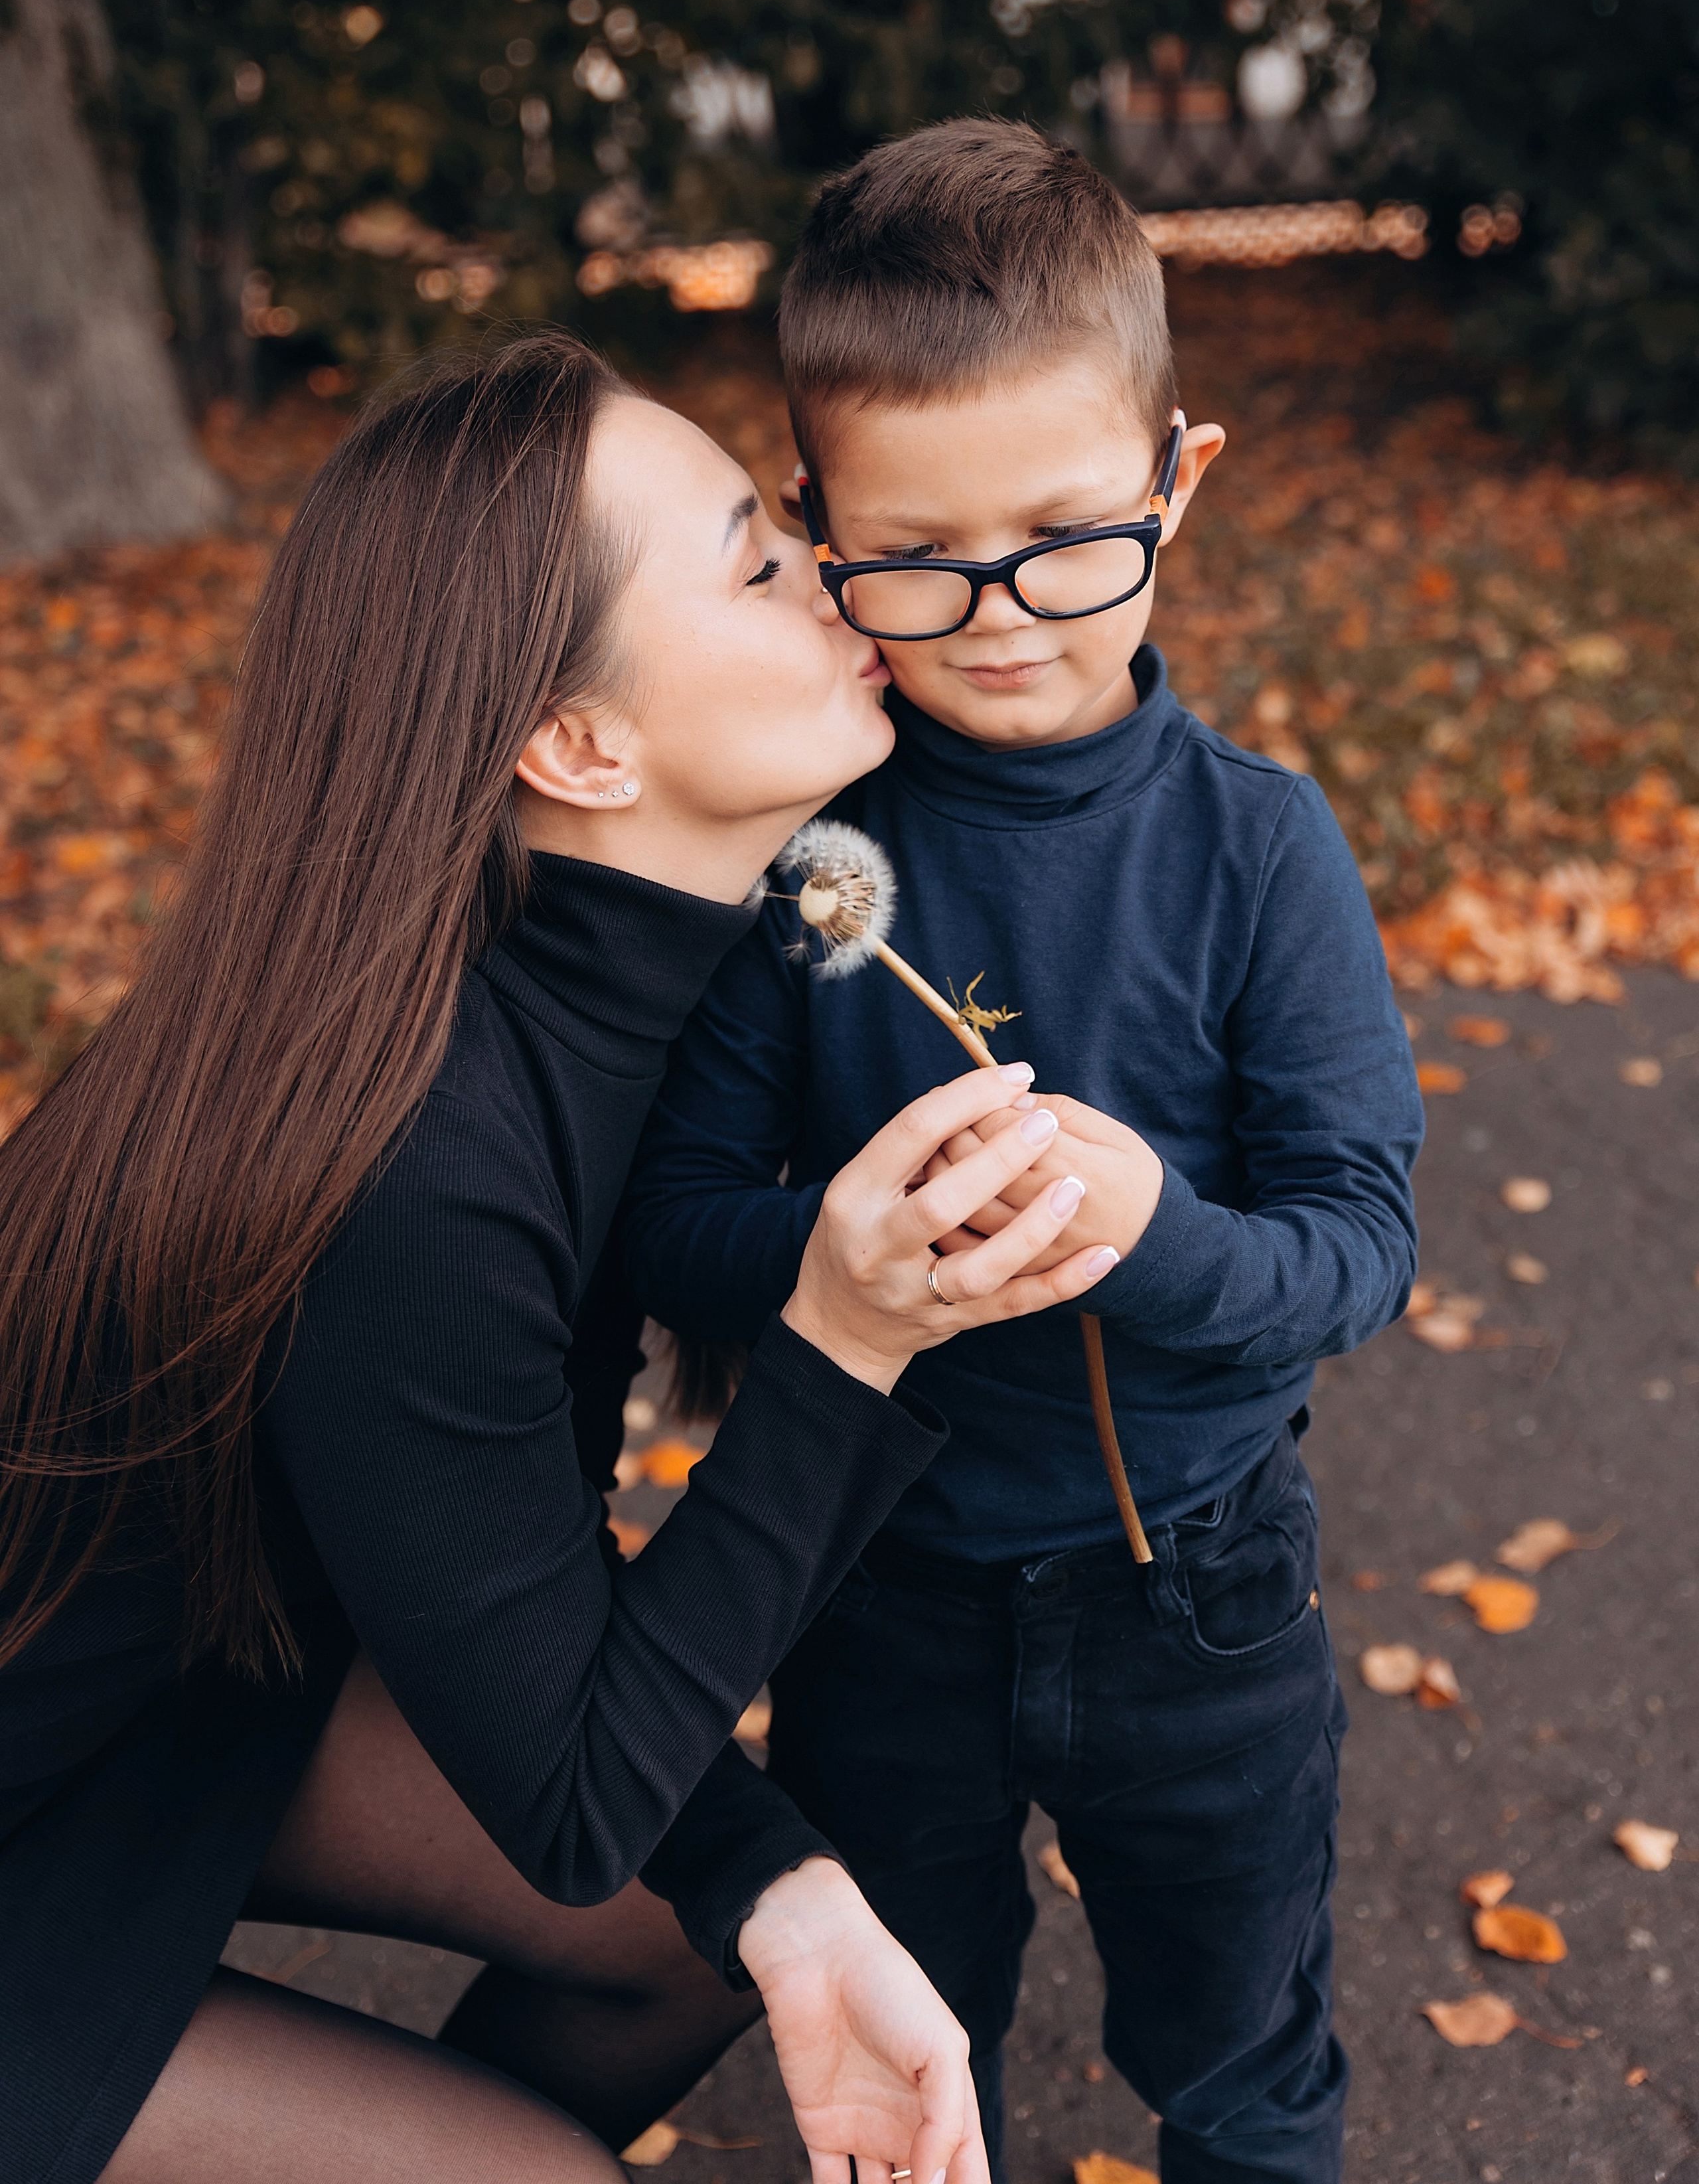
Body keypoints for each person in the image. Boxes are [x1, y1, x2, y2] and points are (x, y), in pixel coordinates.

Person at [0, 333, 1124, 2184]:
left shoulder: (591, 1001)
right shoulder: (410, 1149)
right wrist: (839, 1345)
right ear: (576, 746)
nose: (836, 577)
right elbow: (580, 1790)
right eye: (759, 561)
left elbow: (533, 1619)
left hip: (172, 1716)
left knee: (718, 1932)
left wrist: (789, 1888)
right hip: (46, 1829)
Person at [621, 122, 1426, 2184]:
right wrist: (841, 1260)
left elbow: (1356, 1248)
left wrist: (1151, 1234)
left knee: (1239, 2060)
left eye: (1066, 542)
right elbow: (682, 1225)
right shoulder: (811, 856)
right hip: (878, 1588)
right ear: (816, 533)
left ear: (1181, 485)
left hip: (1206, 1592)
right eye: (914, 560)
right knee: (914, 2049)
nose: (993, 621)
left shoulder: (1261, 850)